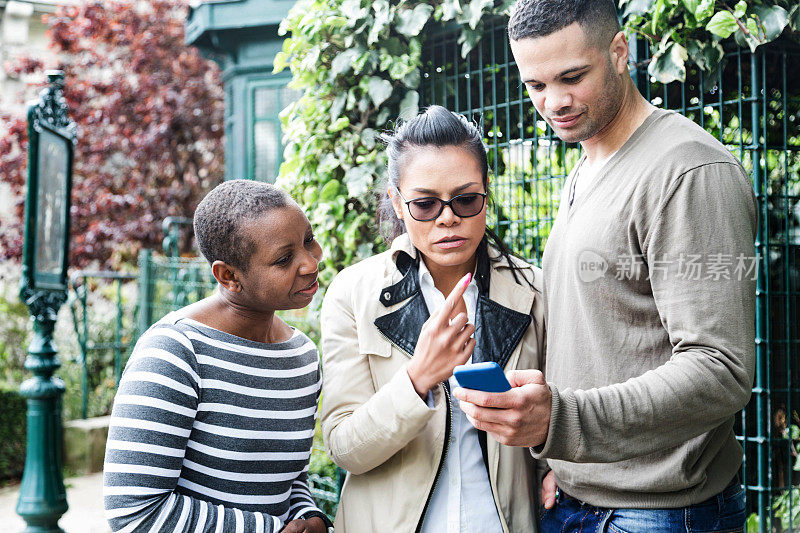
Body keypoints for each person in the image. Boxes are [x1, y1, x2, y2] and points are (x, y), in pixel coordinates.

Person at [453, 0, 758, 531]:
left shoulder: (689, 171)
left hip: (661, 513)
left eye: (572, 77)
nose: (555, 102)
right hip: (574, 502)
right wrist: (559, 460)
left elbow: (721, 370)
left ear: (620, 52)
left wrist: (563, 421)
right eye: (536, 85)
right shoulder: (586, 166)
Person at [319, 105, 547, 532]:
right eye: (425, 204)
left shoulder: (533, 290)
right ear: (397, 203)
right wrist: (417, 378)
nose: (448, 218)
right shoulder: (353, 294)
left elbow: (561, 415)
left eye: (465, 200)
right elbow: (345, 447)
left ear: (486, 194)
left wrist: (552, 463)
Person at [103, 180, 332, 533]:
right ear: (229, 276)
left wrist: (309, 516)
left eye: (308, 240)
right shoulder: (175, 353)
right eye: (284, 259)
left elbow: (285, 479)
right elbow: (134, 513)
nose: (310, 262)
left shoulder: (302, 355)